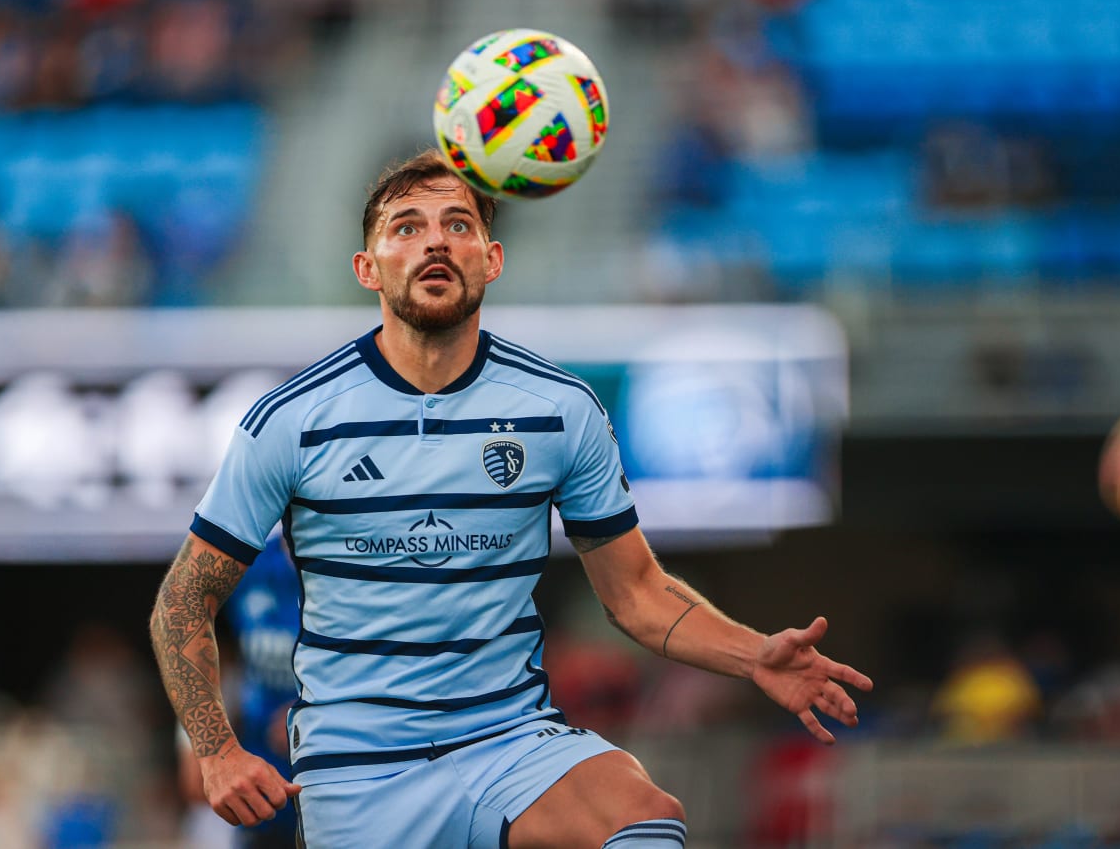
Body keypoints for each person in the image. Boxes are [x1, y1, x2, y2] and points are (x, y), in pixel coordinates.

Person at [149, 148, 873, 848]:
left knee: (643, 815)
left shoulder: (561, 409)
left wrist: (755, 656)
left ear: (490, 259)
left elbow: (638, 592)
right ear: (368, 269)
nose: (435, 241)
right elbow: (182, 600)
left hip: (506, 744)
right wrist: (215, 750)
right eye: (406, 226)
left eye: (458, 224)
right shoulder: (291, 419)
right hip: (356, 773)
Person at [174, 530, 301, 847]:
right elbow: (211, 649)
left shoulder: (358, 560)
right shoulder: (246, 561)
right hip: (261, 772)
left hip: (338, 770)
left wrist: (315, 713)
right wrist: (201, 740)